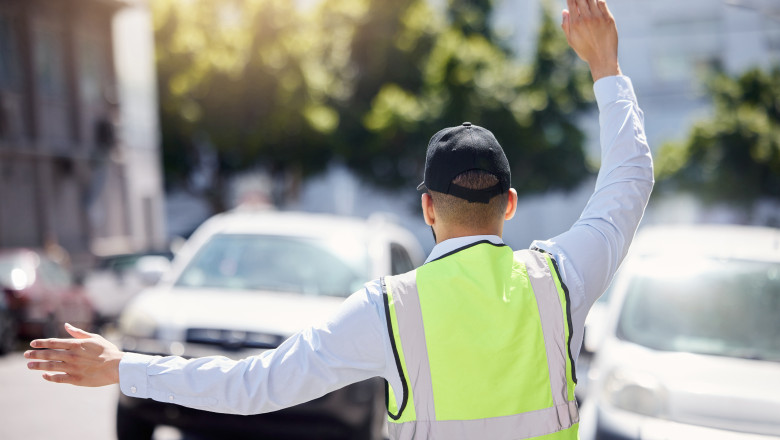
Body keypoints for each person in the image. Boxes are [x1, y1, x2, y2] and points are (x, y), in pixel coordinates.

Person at [24, 0, 653, 438]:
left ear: (427, 207)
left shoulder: (390, 309)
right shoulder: (561, 280)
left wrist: (123, 366)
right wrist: (606, 66)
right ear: (508, 203)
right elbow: (630, 180)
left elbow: (254, 384)